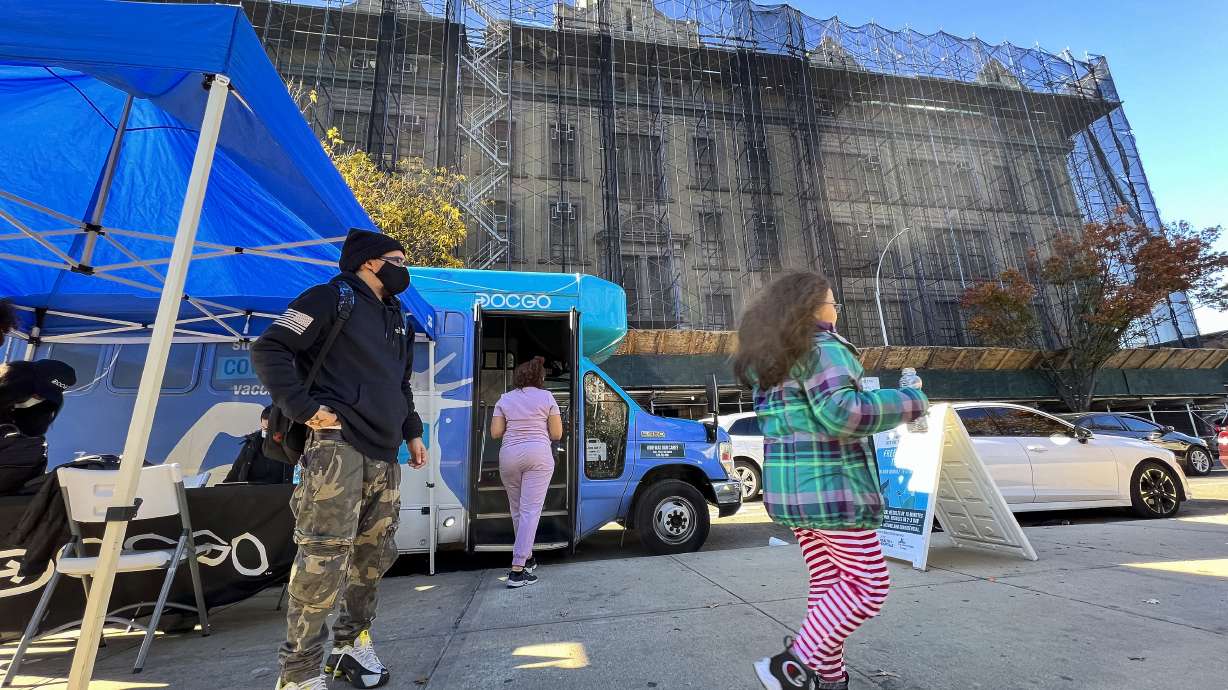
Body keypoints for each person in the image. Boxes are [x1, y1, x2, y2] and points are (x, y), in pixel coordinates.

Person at [733, 271, 928, 690]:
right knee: (867, 585)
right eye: (833, 302)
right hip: (832, 490)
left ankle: (831, 679)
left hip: (794, 496)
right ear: (814, 308)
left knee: (829, 585)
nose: (837, 309)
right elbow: (846, 414)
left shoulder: (774, 361)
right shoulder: (824, 349)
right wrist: (912, 401)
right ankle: (792, 666)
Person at [253, 228, 429, 690]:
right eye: (398, 257)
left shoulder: (397, 317)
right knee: (322, 557)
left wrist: (412, 434)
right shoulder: (330, 298)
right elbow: (269, 347)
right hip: (337, 450)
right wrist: (305, 409)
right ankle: (299, 673)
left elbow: (400, 384)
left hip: (384, 453)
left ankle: (351, 647)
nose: (403, 266)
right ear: (370, 262)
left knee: (373, 556)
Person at [489, 356, 562, 588]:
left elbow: (496, 433)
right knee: (531, 511)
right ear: (540, 378)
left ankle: (528, 557)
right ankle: (517, 570)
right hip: (538, 455)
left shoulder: (504, 399)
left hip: (509, 456)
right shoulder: (547, 397)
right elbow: (557, 434)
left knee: (518, 510)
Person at [224, 406, 293, 484]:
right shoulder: (252, 444)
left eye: (271, 429)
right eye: (264, 428)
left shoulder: (294, 447)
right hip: (250, 494)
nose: (267, 433)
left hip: (283, 494)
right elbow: (234, 475)